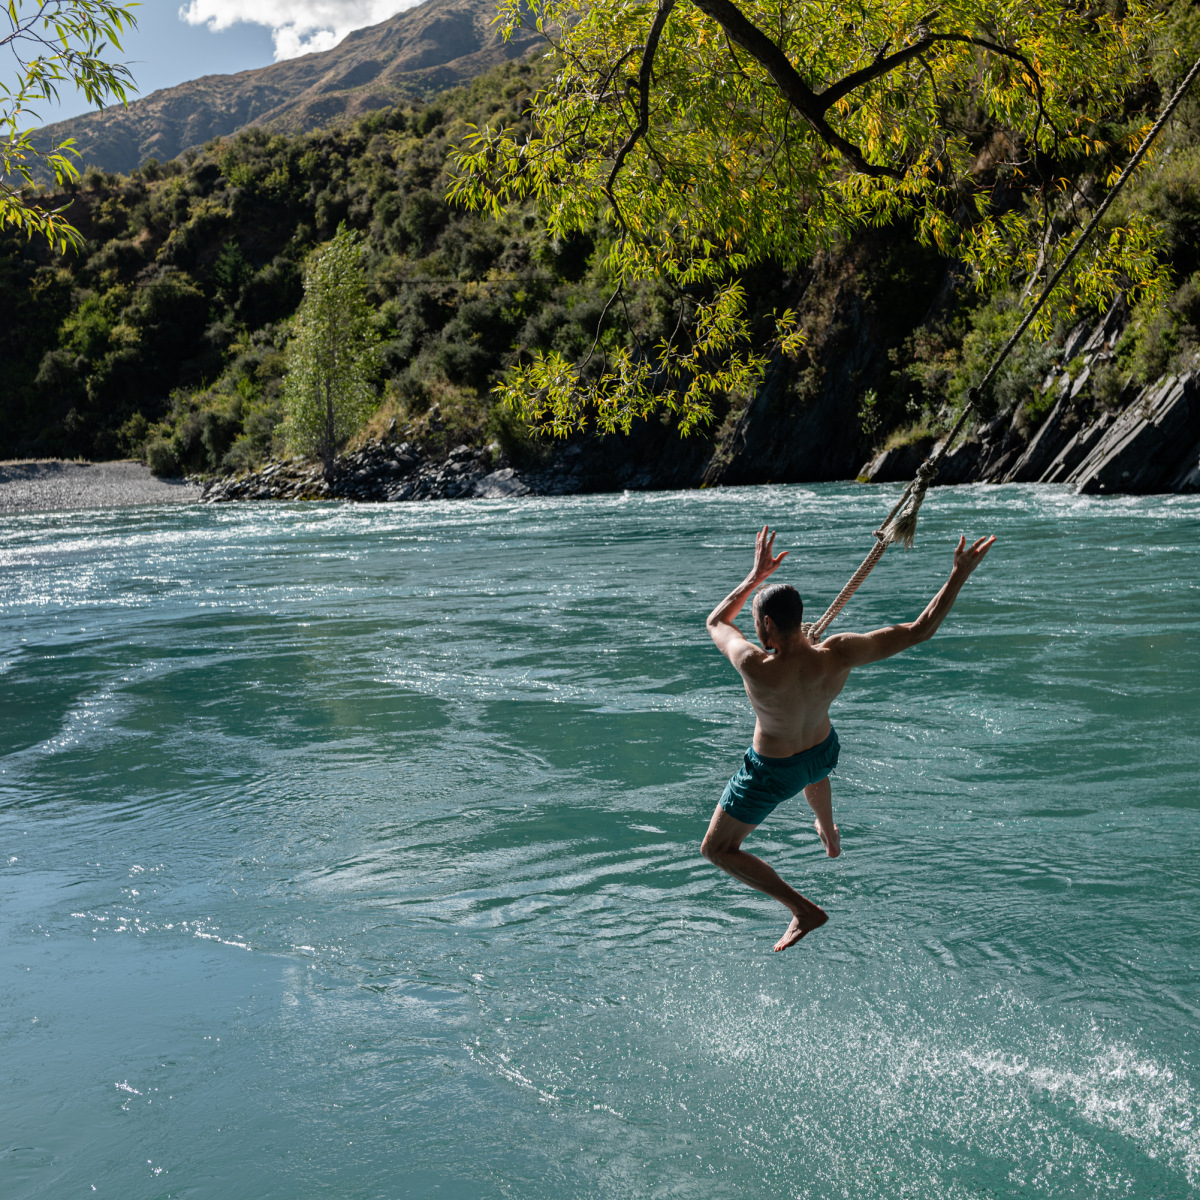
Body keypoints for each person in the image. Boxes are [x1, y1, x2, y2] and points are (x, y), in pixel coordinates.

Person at [703, 525, 995, 952]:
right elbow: (919, 630)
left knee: (717, 849)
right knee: (813, 767)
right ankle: (827, 828)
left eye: (757, 623)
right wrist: (959, 574)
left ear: (767, 624)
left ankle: (802, 910)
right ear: (801, 620)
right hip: (823, 753)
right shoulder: (837, 653)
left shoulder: (753, 663)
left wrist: (755, 576)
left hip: (774, 771)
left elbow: (716, 621)